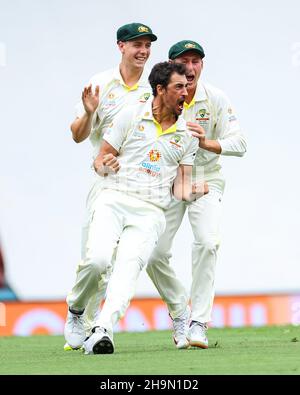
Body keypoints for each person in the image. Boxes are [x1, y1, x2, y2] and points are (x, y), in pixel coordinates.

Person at [65, 62, 207, 354]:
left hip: (151, 211)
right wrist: (105, 165)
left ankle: (103, 329)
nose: (186, 92)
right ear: (160, 90)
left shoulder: (189, 134)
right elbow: (101, 159)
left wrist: (196, 191)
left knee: (126, 273)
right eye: (179, 87)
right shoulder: (131, 115)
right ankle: (77, 310)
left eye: (187, 86)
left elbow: (181, 187)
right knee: (98, 262)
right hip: (113, 198)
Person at [146, 40, 247, 349]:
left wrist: (208, 144)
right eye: (184, 61)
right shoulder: (159, 97)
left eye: (196, 62)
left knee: (208, 241)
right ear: (172, 65)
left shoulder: (215, 98)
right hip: (169, 181)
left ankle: (199, 322)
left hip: (205, 180)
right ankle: (180, 311)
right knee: (152, 253)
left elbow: (240, 143)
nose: (190, 69)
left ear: (202, 65)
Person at [64, 22, 158, 350]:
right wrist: (89, 113)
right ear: (121, 46)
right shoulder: (100, 83)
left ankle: (96, 331)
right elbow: (77, 135)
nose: (143, 51)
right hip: (104, 179)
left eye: (147, 45)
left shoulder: (154, 86)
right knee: (97, 261)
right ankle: (78, 314)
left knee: (122, 265)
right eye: (137, 44)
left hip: (142, 187)